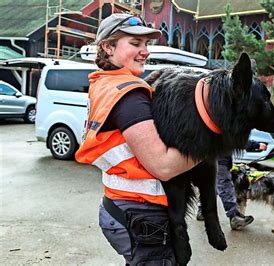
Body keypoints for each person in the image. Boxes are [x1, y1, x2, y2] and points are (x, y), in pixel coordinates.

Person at [75, 13, 199, 265]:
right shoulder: (129, 95)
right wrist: (210, 147)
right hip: (139, 212)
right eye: (135, 44)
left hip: (119, 205)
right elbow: (163, 166)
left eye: (146, 44)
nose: (145, 51)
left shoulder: (105, 83)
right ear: (107, 47)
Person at [196, 140, 267, 230]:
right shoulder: (225, 126)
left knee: (211, 184)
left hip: (207, 156)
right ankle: (234, 217)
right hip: (219, 157)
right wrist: (256, 145)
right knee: (225, 186)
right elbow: (235, 137)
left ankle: (202, 210)